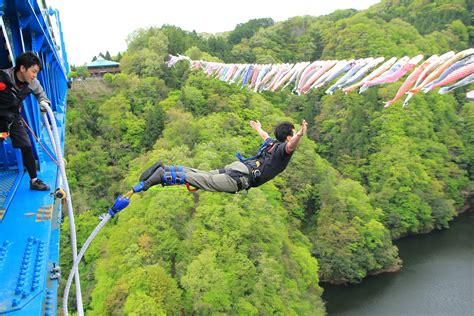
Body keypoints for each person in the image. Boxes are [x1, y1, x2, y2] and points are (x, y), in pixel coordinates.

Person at [139, 119, 307, 193]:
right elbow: (291, 146)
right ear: (288, 137)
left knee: (203, 174)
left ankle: (165, 168)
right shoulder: (282, 150)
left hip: (238, 168)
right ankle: (162, 176)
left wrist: (258, 128)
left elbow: (264, 135)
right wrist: (299, 135)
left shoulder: (271, 143)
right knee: (204, 181)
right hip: (242, 178)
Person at [0, 52, 51, 191]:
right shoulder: (3, 76)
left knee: (26, 146)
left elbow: (42, 95)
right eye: (33, 71)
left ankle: (34, 180)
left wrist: (44, 103)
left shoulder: (33, 83)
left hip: (13, 118)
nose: (35, 75)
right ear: (22, 68)